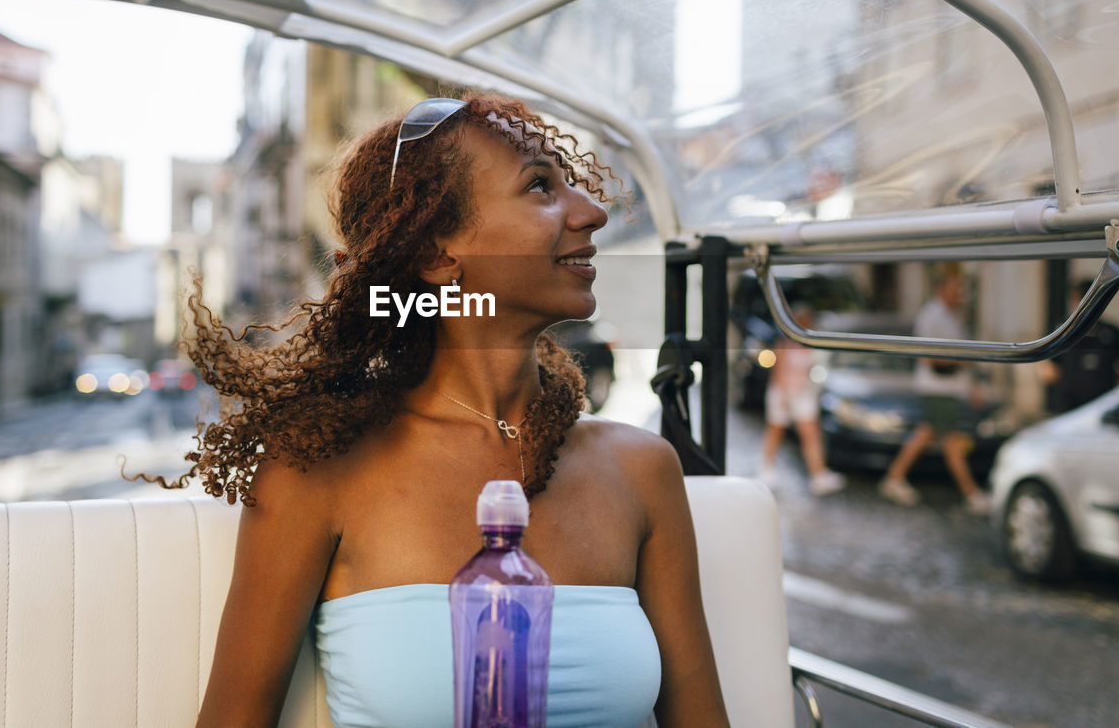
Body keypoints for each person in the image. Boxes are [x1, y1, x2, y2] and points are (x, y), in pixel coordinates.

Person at [141, 94, 729, 728]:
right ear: (436, 256)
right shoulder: (316, 474)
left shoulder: (642, 471)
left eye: (574, 185)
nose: (592, 212)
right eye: (540, 187)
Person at [877, 265, 990, 514]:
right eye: (954, 287)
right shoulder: (932, 316)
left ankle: (894, 478)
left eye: (960, 287)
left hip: (949, 387)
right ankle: (971, 493)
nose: (959, 292)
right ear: (942, 288)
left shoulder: (953, 315)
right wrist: (962, 361)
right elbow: (927, 356)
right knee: (951, 440)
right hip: (938, 388)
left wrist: (971, 385)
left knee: (926, 434)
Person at [758, 305, 846, 496]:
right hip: (783, 392)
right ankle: (767, 469)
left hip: (802, 392)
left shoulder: (809, 344)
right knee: (776, 430)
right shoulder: (784, 343)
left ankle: (818, 474)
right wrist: (784, 395)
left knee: (810, 434)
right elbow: (779, 372)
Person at [1040, 278, 1119, 412]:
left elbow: (1049, 373)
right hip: (1073, 407)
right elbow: (1049, 373)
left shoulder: (1061, 332)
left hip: (1099, 407)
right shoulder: (1061, 332)